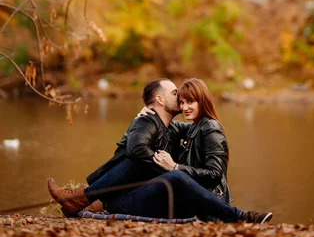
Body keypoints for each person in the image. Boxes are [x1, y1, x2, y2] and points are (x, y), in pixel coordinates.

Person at [48, 78, 272, 223]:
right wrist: (143, 117)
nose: (184, 106)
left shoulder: (210, 128)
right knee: (139, 157)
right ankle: (84, 196)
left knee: (166, 171)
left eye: (190, 102)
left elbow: (214, 175)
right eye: (181, 100)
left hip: (207, 199)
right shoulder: (188, 127)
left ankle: (240, 216)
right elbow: (139, 142)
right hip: (182, 197)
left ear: (203, 101)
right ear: (160, 99)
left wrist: (175, 167)